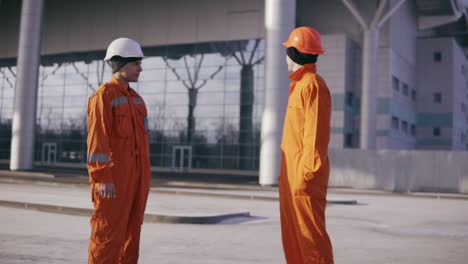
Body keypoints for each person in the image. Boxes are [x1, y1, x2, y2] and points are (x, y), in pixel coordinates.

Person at [87, 37, 151, 263]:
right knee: (107, 237)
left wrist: (144, 180)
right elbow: (97, 141)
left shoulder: (138, 101)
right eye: (136, 63)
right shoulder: (104, 96)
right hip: (113, 182)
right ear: (119, 63)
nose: (140, 69)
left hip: (138, 182)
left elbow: (142, 146)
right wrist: (102, 178)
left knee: (131, 237)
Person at [279, 26, 334, 263]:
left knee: (311, 243)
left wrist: (306, 175)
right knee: (294, 239)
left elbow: (315, 133)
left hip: (304, 181)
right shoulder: (299, 86)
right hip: (292, 180)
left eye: (287, 50)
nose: (285, 56)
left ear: (294, 52)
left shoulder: (313, 85)